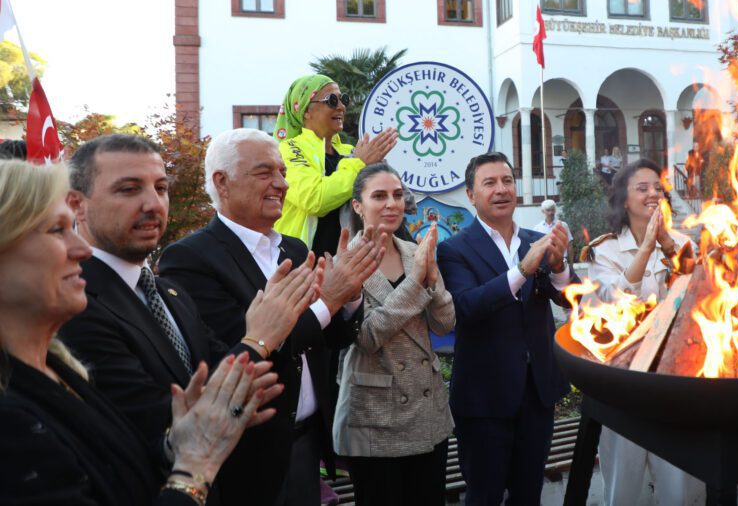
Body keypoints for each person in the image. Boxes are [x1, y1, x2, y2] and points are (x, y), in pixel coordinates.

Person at [0, 160, 279, 506]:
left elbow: (116, 465)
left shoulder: (58, 368)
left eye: (161, 188)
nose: (81, 250)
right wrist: (194, 467)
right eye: (57, 230)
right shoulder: (11, 419)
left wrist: (178, 442)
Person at [57, 134, 321, 497]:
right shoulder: (74, 304)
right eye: (129, 189)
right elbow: (164, 425)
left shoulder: (168, 293)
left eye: (161, 188)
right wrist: (259, 338)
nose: (153, 204)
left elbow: (221, 373)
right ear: (77, 204)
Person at [158, 128, 378, 506]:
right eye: (265, 172)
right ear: (222, 182)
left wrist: (351, 296)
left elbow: (327, 339)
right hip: (248, 454)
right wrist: (329, 299)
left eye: (283, 172)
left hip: (307, 445)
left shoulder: (293, 248)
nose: (282, 184)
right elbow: (241, 352)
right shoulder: (190, 259)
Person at [436, 152, 576, 505]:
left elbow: (571, 299)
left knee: (529, 493)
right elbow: (466, 306)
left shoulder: (536, 240)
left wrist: (559, 267)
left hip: (537, 392)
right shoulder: (454, 249)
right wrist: (522, 270)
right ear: (471, 195)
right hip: (485, 398)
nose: (501, 189)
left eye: (507, 181)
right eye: (490, 183)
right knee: (484, 495)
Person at [583, 158, 704, 505]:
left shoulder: (680, 244)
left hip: (674, 378)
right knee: (625, 484)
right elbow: (613, 303)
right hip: (625, 380)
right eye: (642, 188)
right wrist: (647, 247)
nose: (653, 194)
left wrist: (667, 246)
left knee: (680, 484)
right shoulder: (603, 250)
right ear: (624, 199)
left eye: (657, 188)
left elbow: (699, 296)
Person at [332, 164, 456, 505]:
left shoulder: (416, 251)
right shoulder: (344, 262)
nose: (391, 203)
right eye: (379, 196)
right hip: (374, 417)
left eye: (397, 195)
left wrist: (434, 283)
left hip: (427, 411)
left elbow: (444, 324)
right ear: (358, 206)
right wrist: (416, 284)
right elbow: (367, 336)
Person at [273, 73, 398, 256]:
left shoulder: (350, 151)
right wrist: (359, 163)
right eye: (331, 100)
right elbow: (314, 198)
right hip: (302, 264)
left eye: (343, 99)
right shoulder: (287, 150)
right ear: (306, 111)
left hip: (352, 263)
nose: (341, 107)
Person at [532, 199, 573, 265]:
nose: (550, 213)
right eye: (548, 210)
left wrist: (571, 265)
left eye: (552, 210)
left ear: (555, 210)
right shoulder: (537, 228)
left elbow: (569, 245)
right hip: (544, 262)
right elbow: (534, 248)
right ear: (543, 211)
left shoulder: (563, 225)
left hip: (562, 261)